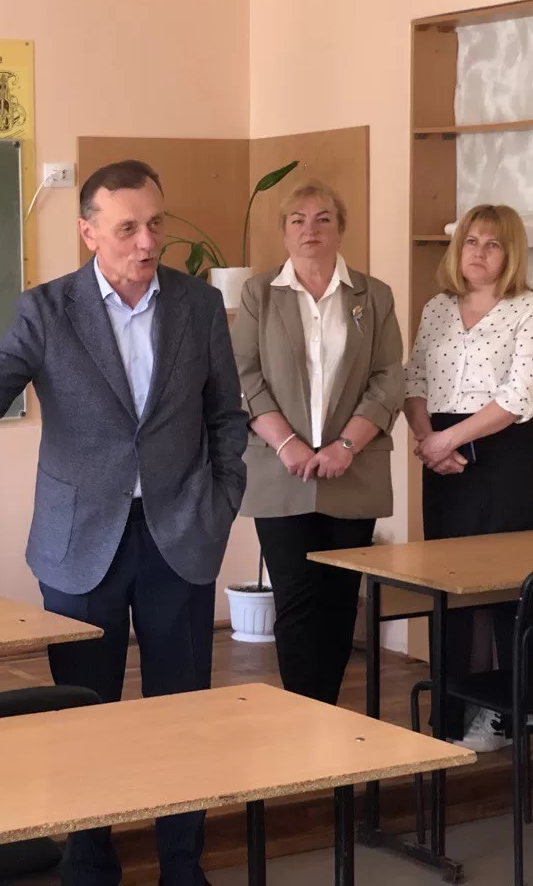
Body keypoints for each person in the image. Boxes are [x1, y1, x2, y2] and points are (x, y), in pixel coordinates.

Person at [0, 159, 248, 886]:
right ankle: (90, 862)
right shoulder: (47, 311)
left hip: (180, 534)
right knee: (83, 714)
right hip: (79, 541)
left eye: (155, 224)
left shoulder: (198, 305)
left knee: (182, 712)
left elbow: (225, 416)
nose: (147, 242)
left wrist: (219, 504)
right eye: (127, 228)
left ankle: (182, 865)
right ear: (89, 232)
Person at [231, 180, 403, 707]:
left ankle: (326, 713)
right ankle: (303, 713)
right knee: (296, 600)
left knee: (340, 600)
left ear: (341, 229)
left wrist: (345, 446)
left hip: (354, 471)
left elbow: (388, 378)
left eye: (323, 218)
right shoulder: (259, 293)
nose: (310, 229)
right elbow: (244, 374)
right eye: (298, 220)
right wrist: (288, 444)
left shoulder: (373, 295)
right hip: (279, 471)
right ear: (284, 232)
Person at [404, 203, 533, 753]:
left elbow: (519, 397)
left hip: (503, 455)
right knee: (448, 585)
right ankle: (451, 713)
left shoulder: (532, 309)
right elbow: (414, 380)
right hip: (443, 458)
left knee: (501, 587)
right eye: (471, 241)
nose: (479, 252)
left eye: (493, 243)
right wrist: (428, 439)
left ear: (510, 252)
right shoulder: (437, 308)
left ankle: (508, 715)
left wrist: (446, 440)